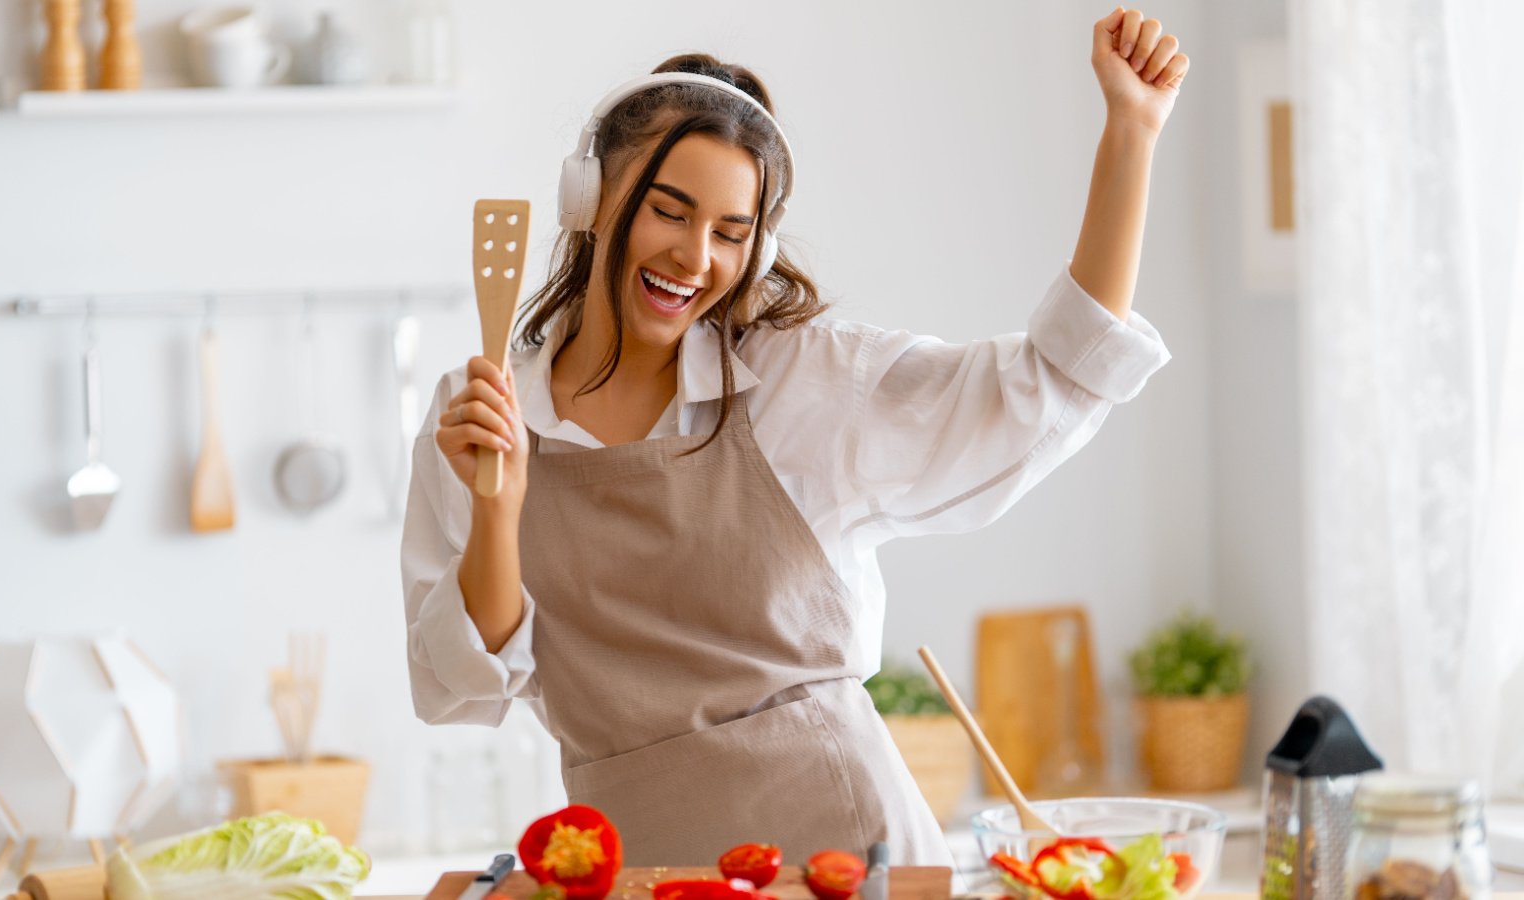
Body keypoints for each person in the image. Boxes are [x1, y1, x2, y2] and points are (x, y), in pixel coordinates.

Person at [402, 7, 1187, 868]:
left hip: (851, 857)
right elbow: (462, 688)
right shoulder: (480, 411)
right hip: (641, 872)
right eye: (670, 211)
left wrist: (1132, 131)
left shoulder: (802, 384)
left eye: (731, 234)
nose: (696, 258)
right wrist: (497, 510)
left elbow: (1044, 385)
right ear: (588, 198)